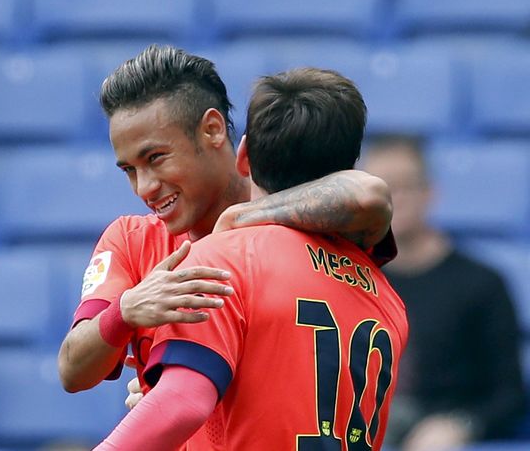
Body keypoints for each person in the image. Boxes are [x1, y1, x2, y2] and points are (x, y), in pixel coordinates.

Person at [58, 46, 397, 447]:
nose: (144, 187)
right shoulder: (132, 240)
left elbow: (368, 195)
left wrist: (238, 224)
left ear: (214, 130)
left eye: (156, 158)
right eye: (130, 169)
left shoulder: (292, 234)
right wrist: (125, 311)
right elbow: (72, 369)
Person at [362, 135, 526, 451]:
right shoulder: (352, 280)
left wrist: (461, 425)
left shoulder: (482, 283)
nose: (394, 199)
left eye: (404, 186)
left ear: (429, 192)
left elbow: (510, 394)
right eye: (380, 188)